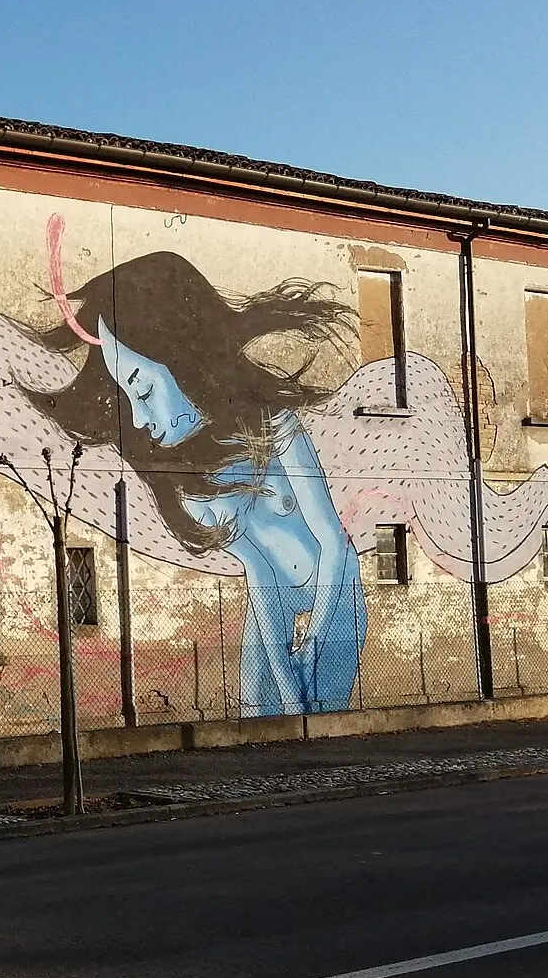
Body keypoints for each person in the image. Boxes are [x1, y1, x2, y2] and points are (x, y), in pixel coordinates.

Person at [28, 250, 364, 715]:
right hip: (275, 602)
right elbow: (259, 572)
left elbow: (334, 544)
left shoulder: (271, 425)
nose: (141, 419)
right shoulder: (190, 476)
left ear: (181, 359)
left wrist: (313, 646)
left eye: (142, 389)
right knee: (257, 712)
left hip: (335, 588)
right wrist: (287, 676)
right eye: (128, 396)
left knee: (320, 711)